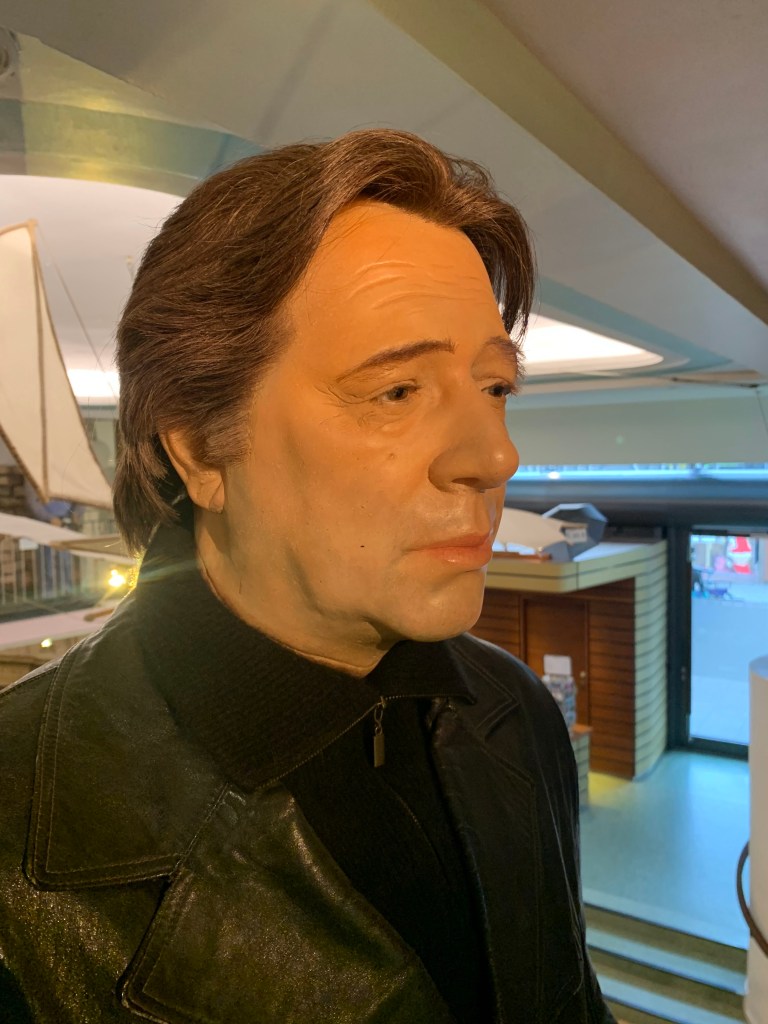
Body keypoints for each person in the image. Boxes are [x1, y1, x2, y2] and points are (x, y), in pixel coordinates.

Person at [0, 129, 616, 1023]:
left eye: (495, 387)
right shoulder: (16, 826)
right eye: (396, 392)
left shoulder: (513, 711)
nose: (495, 456)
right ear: (199, 446)